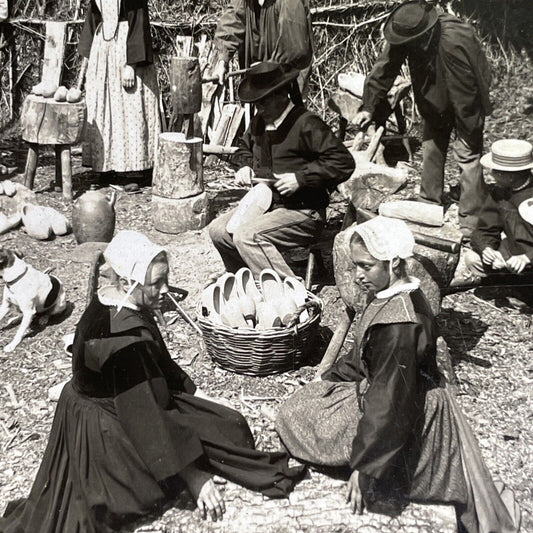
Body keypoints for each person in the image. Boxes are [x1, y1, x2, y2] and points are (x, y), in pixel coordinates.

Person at [0, 231, 304, 533]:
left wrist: (202, 395)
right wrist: (195, 477)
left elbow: (161, 363)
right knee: (139, 492)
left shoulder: (117, 302)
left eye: (165, 279)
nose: (164, 289)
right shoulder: (123, 343)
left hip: (133, 395)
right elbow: (145, 418)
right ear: (125, 282)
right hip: (103, 422)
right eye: (155, 283)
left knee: (229, 423)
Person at [276, 216, 520, 532]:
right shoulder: (392, 292)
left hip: (409, 411)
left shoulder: (398, 326)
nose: (357, 275)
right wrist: (329, 379)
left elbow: (388, 402)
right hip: (389, 391)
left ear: (393, 264)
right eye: (355, 265)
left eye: (366, 266)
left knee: (299, 419)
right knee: (303, 403)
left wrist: (365, 467)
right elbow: (363, 356)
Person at [354, 1, 492, 239]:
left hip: (464, 99)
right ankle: (429, 203)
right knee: (432, 148)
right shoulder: (407, 33)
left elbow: (466, 90)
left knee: (468, 155)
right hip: (433, 97)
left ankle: (471, 222)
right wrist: (369, 106)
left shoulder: (454, 39)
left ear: (425, 34)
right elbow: (384, 69)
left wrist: (468, 127)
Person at [209, 62, 355, 279]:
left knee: (247, 236)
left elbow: (343, 162)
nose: (260, 109)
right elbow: (242, 149)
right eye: (257, 104)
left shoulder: (306, 124)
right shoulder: (260, 122)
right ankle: (247, 283)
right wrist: (246, 165)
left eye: (264, 102)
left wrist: (301, 178)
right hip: (266, 205)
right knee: (218, 231)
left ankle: (291, 296)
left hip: (303, 211)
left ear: (282, 95)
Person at [78, 0, 161, 181]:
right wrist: (90, 56)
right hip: (103, 48)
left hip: (126, 48)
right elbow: (93, 17)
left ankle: (134, 170)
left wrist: (131, 65)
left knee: (130, 105)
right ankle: (104, 165)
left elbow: (139, 22)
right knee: (104, 105)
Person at [464, 139, 533, 278]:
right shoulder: (499, 192)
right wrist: (487, 249)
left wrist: (527, 258)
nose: (491, 175)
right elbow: (485, 229)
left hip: (527, 258)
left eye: (496, 172)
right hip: (511, 254)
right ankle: (514, 285)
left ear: (511, 176)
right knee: (473, 259)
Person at [213, 0, 313, 95]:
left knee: (287, 110)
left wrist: (266, 69)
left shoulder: (290, 3)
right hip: (258, 78)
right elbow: (233, 19)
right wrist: (222, 61)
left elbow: (293, 48)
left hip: (288, 77)